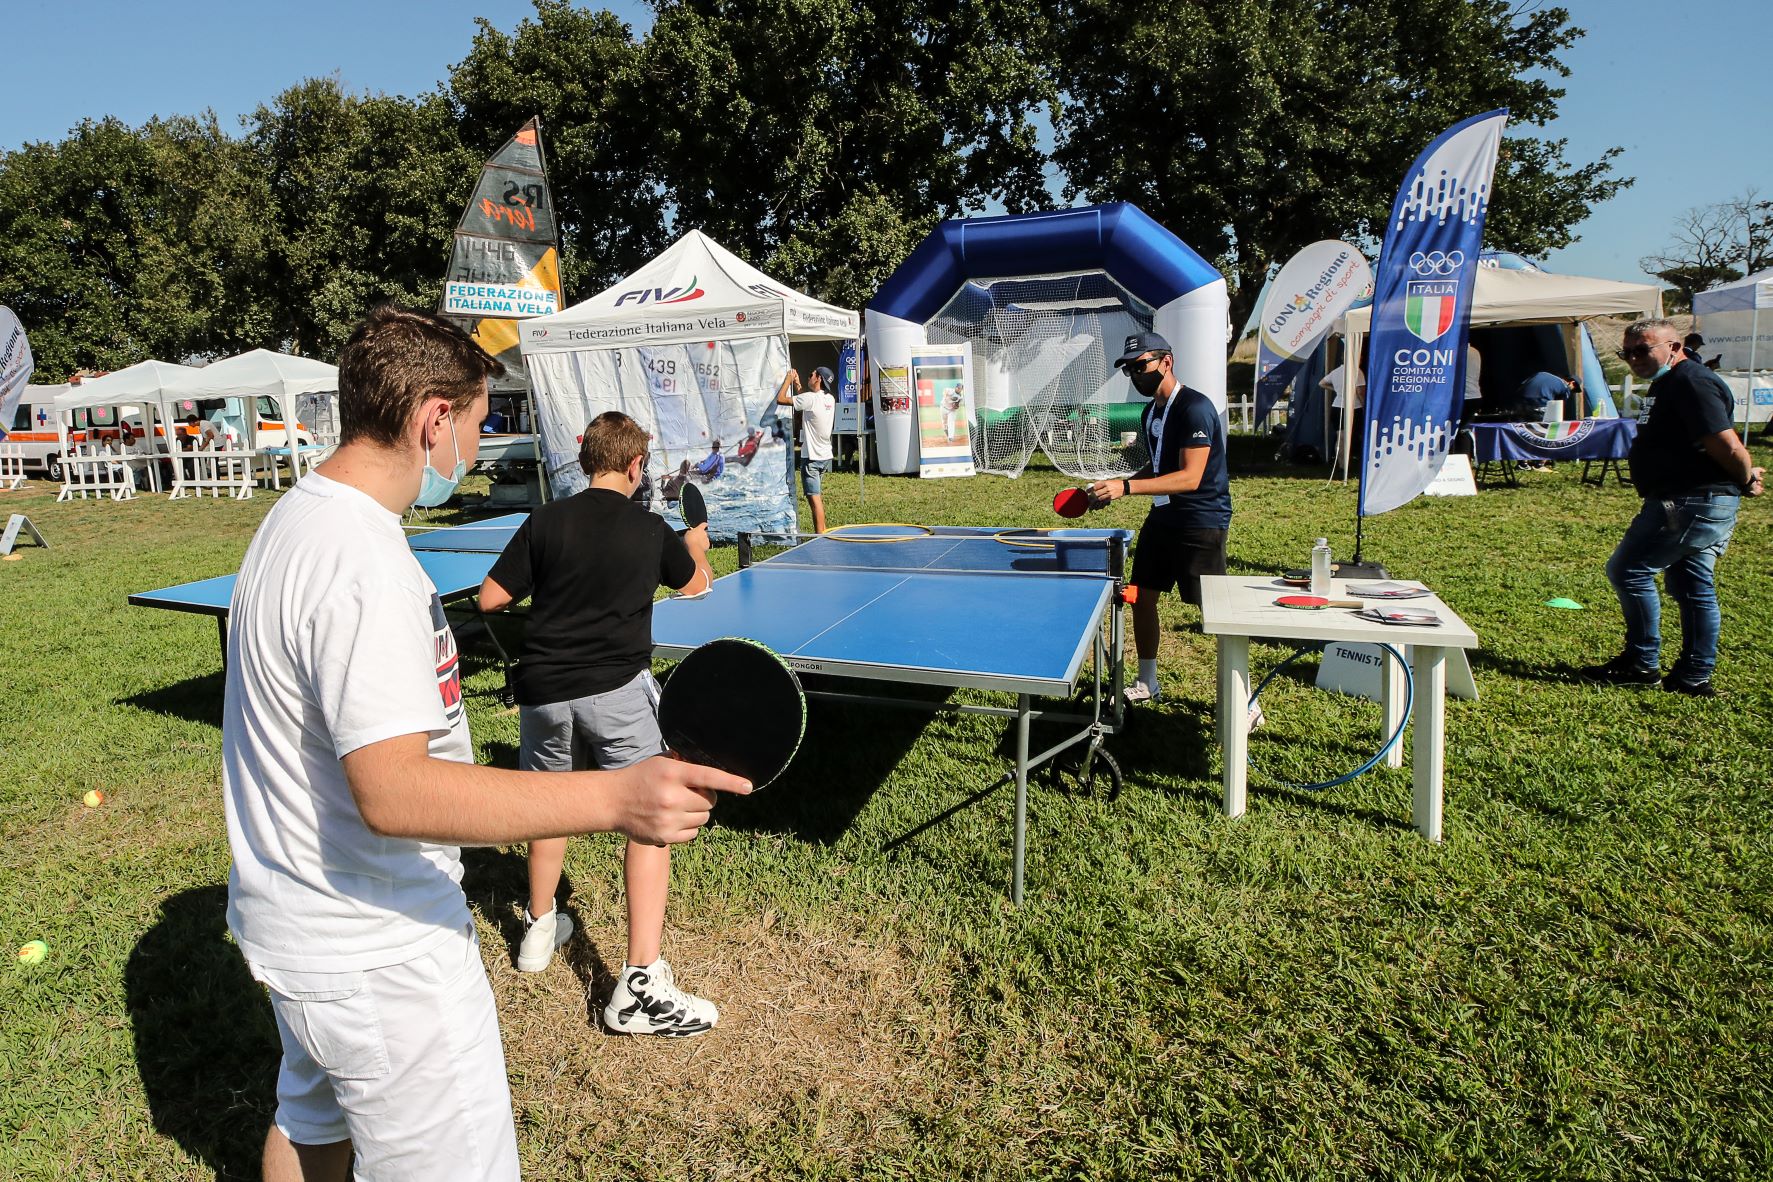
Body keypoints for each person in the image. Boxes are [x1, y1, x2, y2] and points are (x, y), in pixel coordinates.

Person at [221, 305, 747, 1180]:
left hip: (297, 925)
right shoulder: (366, 568)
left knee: (310, 1125)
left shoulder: (292, 524)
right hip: (382, 951)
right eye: (475, 422)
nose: (475, 441)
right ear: (433, 417)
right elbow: (394, 793)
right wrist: (617, 795)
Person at [479, 411, 719, 1036]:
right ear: (637, 467)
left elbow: (490, 599)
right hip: (617, 693)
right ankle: (639, 983)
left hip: (543, 695)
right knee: (647, 822)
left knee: (547, 808)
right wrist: (695, 545)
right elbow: (696, 585)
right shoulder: (649, 527)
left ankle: (536, 930)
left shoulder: (545, 521)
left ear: (587, 460)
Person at [1581, 318, 1764, 696]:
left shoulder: (1690, 382)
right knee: (1692, 585)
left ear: (1674, 347)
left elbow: (1725, 443)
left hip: (1689, 500)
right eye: (1627, 352)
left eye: (1643, 350)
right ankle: (1693, 676)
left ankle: (1641, 662)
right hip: (1693, 498)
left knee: (1628, 570)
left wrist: (1746, 478)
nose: (1634, 358)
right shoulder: (1671, 383)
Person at [1087, 332, 1231, 704]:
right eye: (1129, 370)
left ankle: (1244, 700)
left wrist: (1127, 489)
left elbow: (1190, 476)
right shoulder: (1150, 411)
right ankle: (1148, 680)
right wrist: (1116, 487)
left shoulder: (1195, 408)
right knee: (1143, 596)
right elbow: (1159, 465)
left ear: (1166, 362)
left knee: (1215, 614)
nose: (1136, 375)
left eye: (1141, 366)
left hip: (1200, 520)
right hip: (1163, 517)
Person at [776, 365, 836, 533]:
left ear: (818, 379)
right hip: (824, 456)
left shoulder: (810, 399)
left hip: (811, 458)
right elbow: (807, 403)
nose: (809, 376)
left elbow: (780, 399)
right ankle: (823, 530)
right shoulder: (829, 399)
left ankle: (820, 538)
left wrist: (788, 380)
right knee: (817, 497)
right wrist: (798, 385)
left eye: (811, 374)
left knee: (814, 500)